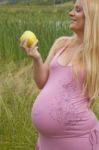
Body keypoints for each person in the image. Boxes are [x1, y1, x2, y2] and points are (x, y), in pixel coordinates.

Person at [20, 0, 99, 149]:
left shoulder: (95, 54)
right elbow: (41, 82)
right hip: (47, 141)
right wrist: (36, 58)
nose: (70, 13)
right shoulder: (61, 44)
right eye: (72, 9)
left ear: (91, 16)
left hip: (78, 139)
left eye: (77, 10)